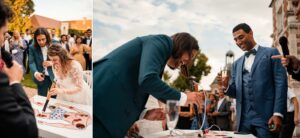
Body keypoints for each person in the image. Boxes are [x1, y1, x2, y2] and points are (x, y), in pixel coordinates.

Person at [93, 32, 203, 137]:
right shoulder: (162, 42)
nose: (188, 61)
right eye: (191, 55)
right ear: (183, 45)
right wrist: (183, 97)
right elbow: (147, 80)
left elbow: (139, 87)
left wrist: (144, 114)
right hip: (102, 101)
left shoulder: (159, 57)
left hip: (108, 112)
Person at [218, 23, 287, 137]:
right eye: (235, 40)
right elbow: (235, 92)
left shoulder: (271, 53)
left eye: (241, 37)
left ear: (251, 33)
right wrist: (226, 86)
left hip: (266, 117)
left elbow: (281, 84)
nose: (238, 42)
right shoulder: (236, 64)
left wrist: (277, 114)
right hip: (243, 120)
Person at [0, 1, 37, 137]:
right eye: (4, 33)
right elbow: (28, 130)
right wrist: (15, 82)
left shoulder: (21, 40)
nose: (4, 39)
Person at [29, 27, 54, 96]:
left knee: (54, 99)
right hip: (41, 77)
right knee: (41, 98)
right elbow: (31, 62)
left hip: (54, 76)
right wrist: (36, 73)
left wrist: (52, 63)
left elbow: (62, 59)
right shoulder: (32, 47)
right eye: (38, 40)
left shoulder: (55, 43)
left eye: (43, 39)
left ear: (47, 37)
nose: (41, 42)